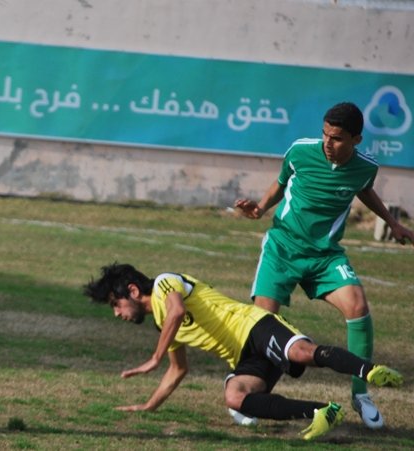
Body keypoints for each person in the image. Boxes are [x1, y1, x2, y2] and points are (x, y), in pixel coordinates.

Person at [234, 102, 414, 429]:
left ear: (356, 140)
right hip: (283, 248)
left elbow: (364, 190)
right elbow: (281, 182)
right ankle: (249, 395)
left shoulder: (365, 167)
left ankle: (361, 395)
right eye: (325, 135)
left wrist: (392, 223)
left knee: (357, 306)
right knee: (263, 324)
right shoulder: (301, 151)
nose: (328, 143)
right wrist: (260, 208)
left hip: (325, 255)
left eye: (337, 138)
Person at [83, 263, 402, 441]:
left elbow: (177, 311)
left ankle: (370, 370)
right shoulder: (162, 325)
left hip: (254, 325)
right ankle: (322, 411)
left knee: (302, 353)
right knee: (234, 396)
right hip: (246, 358)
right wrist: (148, 406)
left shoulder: (166, 283)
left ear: (133, 291)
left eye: (115, 304)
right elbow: (178, 369)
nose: (117, 313)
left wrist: (154, 358)